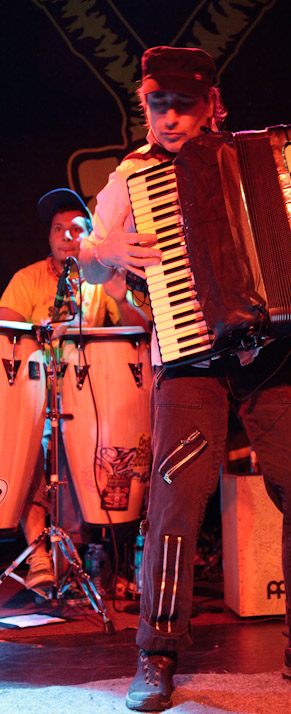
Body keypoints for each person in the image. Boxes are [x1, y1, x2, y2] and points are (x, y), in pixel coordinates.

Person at [80, 46, 291, 712]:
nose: (170, 118)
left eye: (184, 104)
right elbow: (90, 257)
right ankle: (157, 649)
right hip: (191, 352)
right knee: (178, 497)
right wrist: (105, 251)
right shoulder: (134, 175)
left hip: (270, 352)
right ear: (144, 104)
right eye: (158, 105)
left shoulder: (267, 156)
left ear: (214, 104)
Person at [0, 188, 149, 593]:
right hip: (34, 397)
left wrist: (124, 298)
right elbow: (5, 333)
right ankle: (40, 554)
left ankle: (111, 565)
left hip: (88, 399)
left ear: (90, 237)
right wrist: (42, 333)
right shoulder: (27, 279)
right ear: (48, 237)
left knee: (107, 461)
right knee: (30, 461)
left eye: (76, 229)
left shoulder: (100, 279)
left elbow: (143, 328)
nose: (66, 236)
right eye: (57, 229)